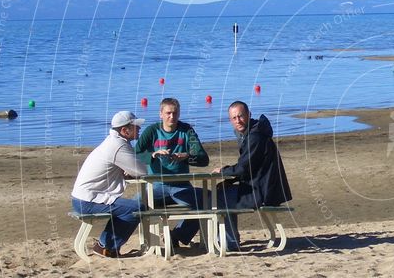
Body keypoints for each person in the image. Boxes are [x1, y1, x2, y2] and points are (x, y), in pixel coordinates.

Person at [212, 101, 292, 251]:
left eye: (240, 116)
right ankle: (228, 239)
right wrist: (230, 177)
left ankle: (229, 242)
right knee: (221, 191)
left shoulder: (255, 137)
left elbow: (243, 168)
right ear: (230, 120)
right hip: (264, 187)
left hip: (264, 191)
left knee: (219, 197)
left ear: (249, 115)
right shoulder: (253, 133)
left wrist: (224, 171)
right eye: (234, 118)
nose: (238, 120)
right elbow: (250, 167)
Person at [134, 97, 209, 247]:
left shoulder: (186, 130)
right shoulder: (152, 130)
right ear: (160, 114)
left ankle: (176, 236)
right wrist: (153, 155)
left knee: (208, 201)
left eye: (175, 113)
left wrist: (186, 156)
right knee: (134, 204)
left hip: (182, 186)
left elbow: (203, 159)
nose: (172, 117)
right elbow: (136, 153)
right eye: (168, 113)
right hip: (156, 186)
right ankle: (141, 242)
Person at [71, 111, 147, 258]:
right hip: (87, 200)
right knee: (136, 209)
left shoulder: (114, 142)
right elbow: (142, 170)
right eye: (136, 126)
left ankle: (106, 245)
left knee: (131, 207)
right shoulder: (117, 145)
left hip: (82, 197)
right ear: (125, 130)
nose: (139, 129)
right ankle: (105, 246)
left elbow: (132, 168)